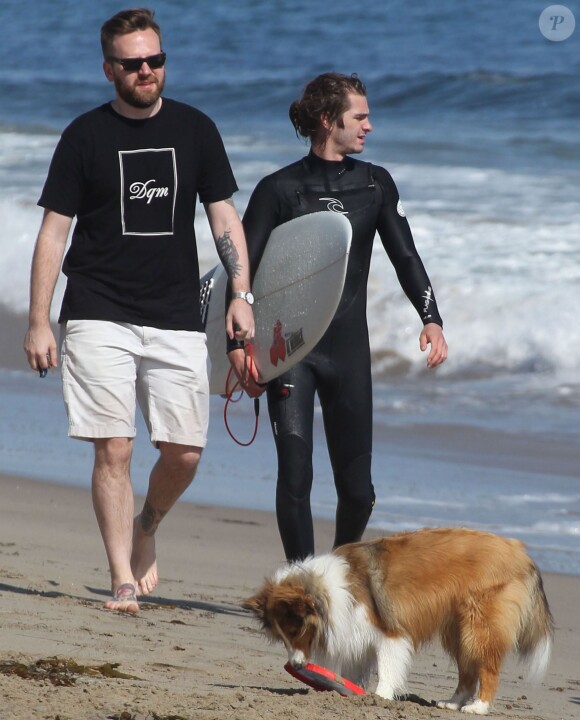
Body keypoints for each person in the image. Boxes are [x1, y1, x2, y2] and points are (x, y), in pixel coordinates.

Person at [23, 8, 255, 613]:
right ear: (109, 69)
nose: (147, 70)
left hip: (176, 312)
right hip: (98, 308)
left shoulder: (197, 129)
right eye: (133, 63)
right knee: (115, 448)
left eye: (156, 59)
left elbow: (224, 218)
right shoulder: (84, 136)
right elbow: (54, 232)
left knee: (183, 451)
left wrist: (241, 294)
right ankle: (121, 577)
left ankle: (147, 524)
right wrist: (39, 320)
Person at [229, 73, 447, 562]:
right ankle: (304, 586)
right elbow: (239, 273)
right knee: (295, 478)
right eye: (360, 117)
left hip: (347, 351)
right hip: (290, 352)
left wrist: (431, 318)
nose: (369, 126)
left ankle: (336, 574)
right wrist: (237, 348)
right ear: (329, 121)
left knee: (358, 492)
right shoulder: (279, 189)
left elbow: (406, 257)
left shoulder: (374, 184)